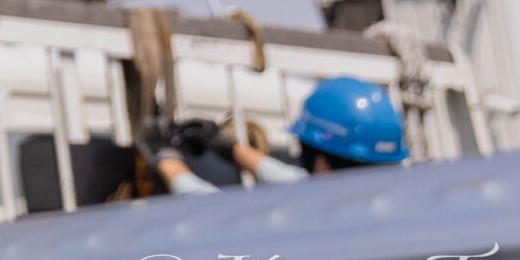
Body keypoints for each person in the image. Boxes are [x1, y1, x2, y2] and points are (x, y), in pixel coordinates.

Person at [143, 77, 411, 194]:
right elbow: (295, 181)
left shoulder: (314, 216)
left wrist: (167, 160)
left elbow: (217, 209)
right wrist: (230, 147)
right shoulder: (397, 202)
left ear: (321, 164)